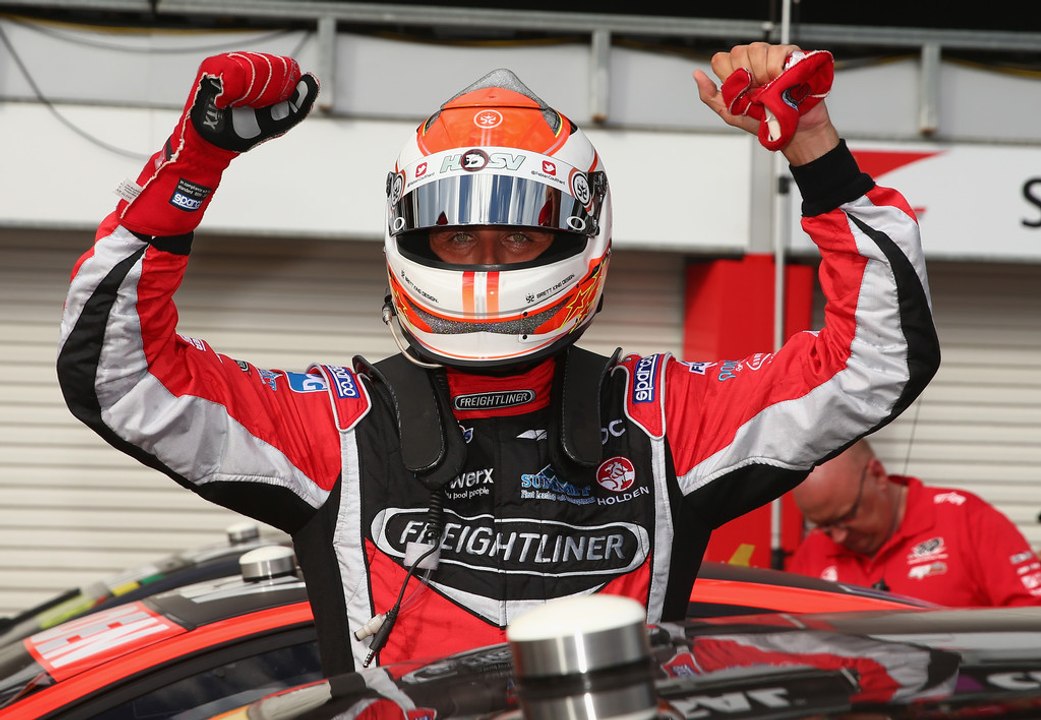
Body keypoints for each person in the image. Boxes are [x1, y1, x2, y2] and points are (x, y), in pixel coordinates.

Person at [56, 44, 940, 676]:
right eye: (456, 234)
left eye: (517, 234)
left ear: (576, 235)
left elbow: (876, 357)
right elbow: (118, 376)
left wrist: (815, 148)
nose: (483, 261)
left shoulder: (662, 416)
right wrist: (192, 166)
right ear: (409, 234)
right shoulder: (333, 423)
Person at [788, 439, 1041, 606]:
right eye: (824, 526)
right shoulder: (813, 551)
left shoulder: (965, 519)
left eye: (846, 517)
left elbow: (1031, 618)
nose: (838, 537)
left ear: (877, 475)